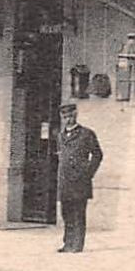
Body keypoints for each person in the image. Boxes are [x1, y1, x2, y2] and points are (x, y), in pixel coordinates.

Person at [57, 102, 103, 253]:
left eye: (71, 115)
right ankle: (67, 243)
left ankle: (77, 244)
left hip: (80, 181)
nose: (68, 119)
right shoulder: (60, 135)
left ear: (76, 115)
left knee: (78, 213)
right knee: (66, 214)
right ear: (62, 117)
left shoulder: (86, 134)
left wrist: (88, 173)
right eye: (65, 116)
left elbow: (97, 154)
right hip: (65, 181)